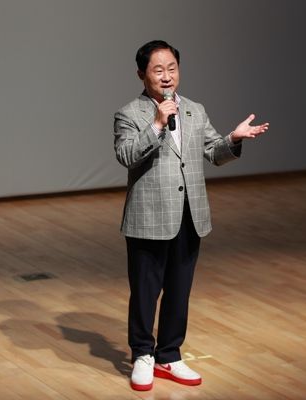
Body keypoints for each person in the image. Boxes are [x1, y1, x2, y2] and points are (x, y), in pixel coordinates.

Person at [113, 40, 269, 391]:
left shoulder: (195, 110)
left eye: (172, 68)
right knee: (145, 291)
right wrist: (156, 124)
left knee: (179, 290)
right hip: (149, 217)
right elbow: (126, 155)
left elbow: (213, 151)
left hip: (189, 214)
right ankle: (142, 354)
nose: (167, 76)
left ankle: (169, 354)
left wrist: (234, 139)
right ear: (141, 74)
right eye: (158, 70)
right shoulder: (129, 114)